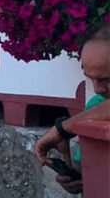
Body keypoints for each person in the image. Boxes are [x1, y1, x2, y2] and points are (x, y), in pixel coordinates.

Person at [35, 24, 109, 195]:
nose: (97, 89)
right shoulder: (94, 106)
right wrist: (76, 178)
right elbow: (88, 166)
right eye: (91, 79)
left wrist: (63, 129)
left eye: (106, 79)